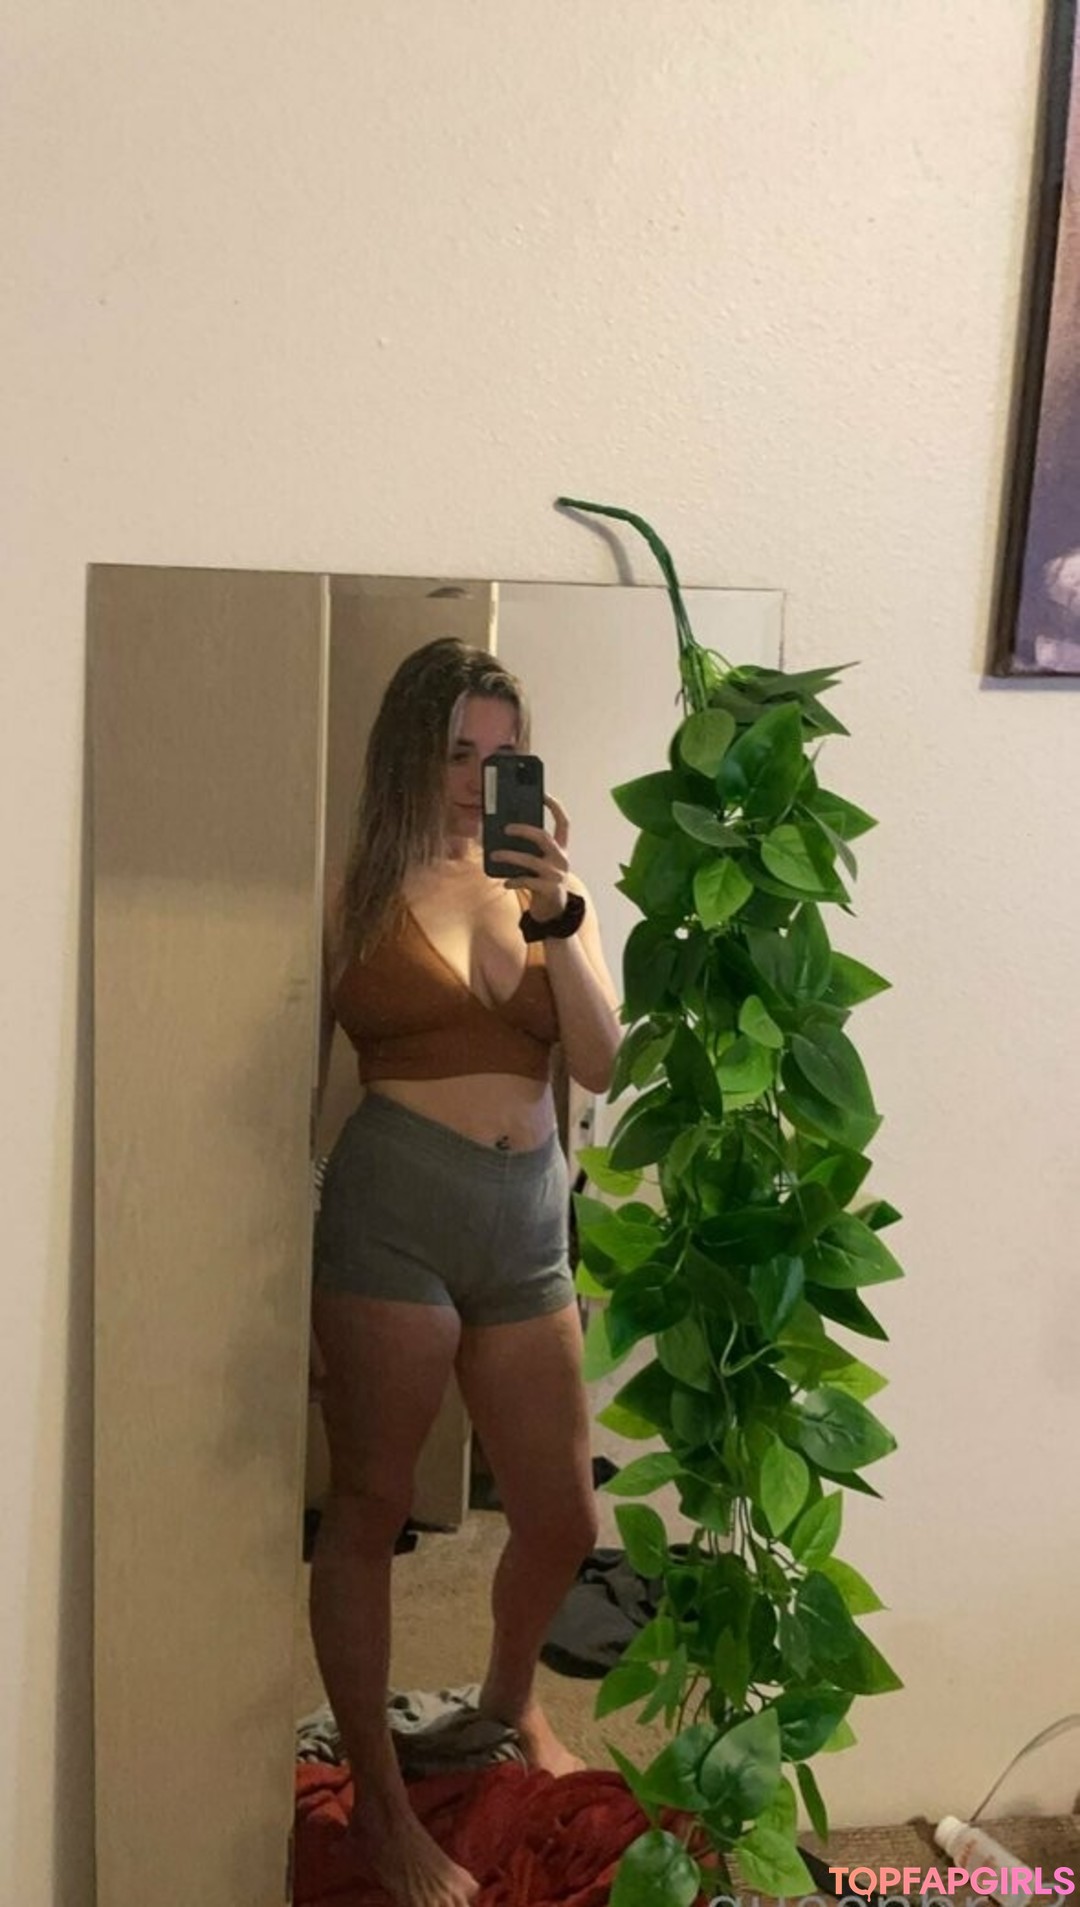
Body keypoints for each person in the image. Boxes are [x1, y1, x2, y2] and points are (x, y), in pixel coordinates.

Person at [310, 637, 622, 1907]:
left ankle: (507, 1698)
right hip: (395, 1209)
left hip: (526, 1220)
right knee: (373, 1503)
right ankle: (382, 1804)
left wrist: (561, 917)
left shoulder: (551, 885)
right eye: (457, 750)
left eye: (504, 752)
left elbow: (598, 1060)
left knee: (562, 1515)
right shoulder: (353, 883)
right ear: (411, 752)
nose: (480, 776)